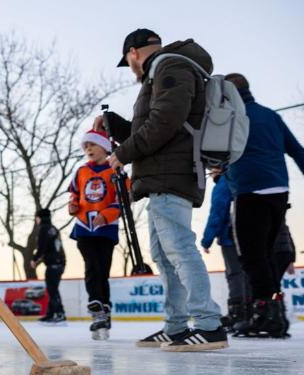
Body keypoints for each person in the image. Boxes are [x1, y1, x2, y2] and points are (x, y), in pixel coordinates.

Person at [97, 28, 227, 351]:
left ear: (133, 53)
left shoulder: (171, 67)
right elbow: (154, 127)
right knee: (164, 254)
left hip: (173, 174)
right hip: (160, 175)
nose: (131, 69)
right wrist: (116, 124)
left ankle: (210, 325)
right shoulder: (164, 72)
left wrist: (122, 154)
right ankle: (176, 325)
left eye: (128, 62)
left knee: (179, 248)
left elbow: (167, 122)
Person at [223, 73, 304, 338]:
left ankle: (265, 314)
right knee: (267, 254)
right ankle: (275, 314)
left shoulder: (231, 119)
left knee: (252, 255)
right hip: (279, 190)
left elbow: (215, 154)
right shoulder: (270, 115)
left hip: (250, 190)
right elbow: (297, 150)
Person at [68, 129, 126, 339]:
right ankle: (96, 305)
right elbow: (74, 194)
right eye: (86, 146)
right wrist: (73, 205)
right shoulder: (81, 171)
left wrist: (108, 214)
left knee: (102, 270)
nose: (88, 149)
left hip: (106, 229)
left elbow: (122, 199)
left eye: (92, 145)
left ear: (105, 147)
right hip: (84, 227)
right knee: (91, 266)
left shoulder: (115, 171)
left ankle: (104, 309)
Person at [200, 173, 249, 331]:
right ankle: (251, 310)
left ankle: (238, 312)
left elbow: (218, 212)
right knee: (248, 272)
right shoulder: (241, 177)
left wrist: (207, 239)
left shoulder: (224, 182)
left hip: (230, 235)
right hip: (249, 235)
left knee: (234, 273)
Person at [30, 209, 66, 324]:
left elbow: (42, 247)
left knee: (52, 290)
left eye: (37, 218)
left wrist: (35, 259)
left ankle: (60, 314)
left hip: (53, 264)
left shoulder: (43, 229)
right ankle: (50, 314)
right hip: (60, 262)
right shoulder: (53, 229)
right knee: (52, 289)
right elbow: (50, 248)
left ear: (39, 218)